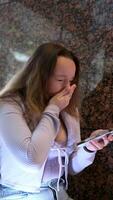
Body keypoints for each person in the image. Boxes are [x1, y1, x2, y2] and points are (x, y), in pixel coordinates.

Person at [0, 42, 112, 200]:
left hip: (58, 192)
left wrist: (89, 148)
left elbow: (71, 168)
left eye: (71, 81)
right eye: (60, 80)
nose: (68, 88)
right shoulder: (8, 105)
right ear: (39, 76)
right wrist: (53, 109)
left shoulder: (69, 111)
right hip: (20, 195)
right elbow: (31, 161)